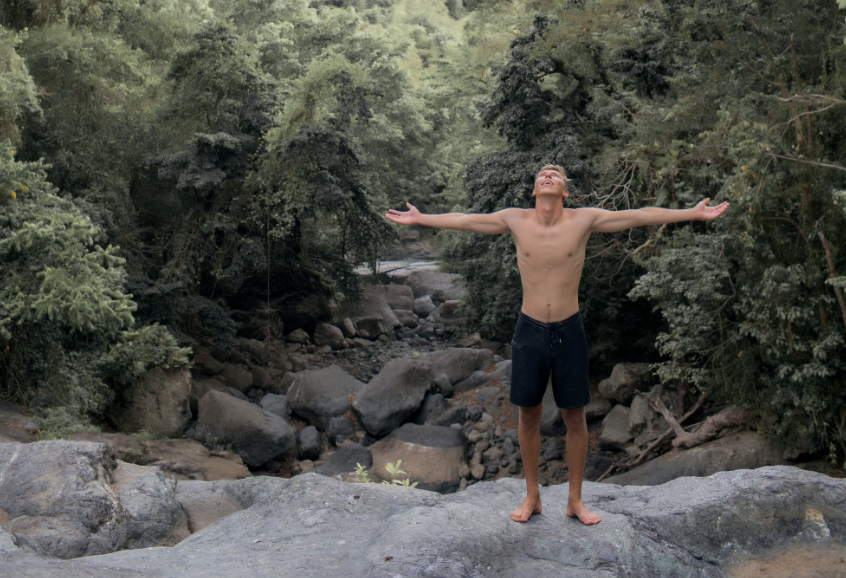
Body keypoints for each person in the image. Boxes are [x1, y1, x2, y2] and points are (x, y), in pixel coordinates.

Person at [384, 164, 729, 525]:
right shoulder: (515, 219)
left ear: (565, 191)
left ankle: (575, 500)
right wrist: (422, 219)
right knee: (528, 415)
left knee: (575, 416)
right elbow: (466, 220)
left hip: (569, 329)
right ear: (535, 191)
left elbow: (640, 215)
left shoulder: (583, 220)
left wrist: (691, 213)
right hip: (529, 329)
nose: (547, 175)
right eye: (541, 175)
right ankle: (532, 495)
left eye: (555, 174)